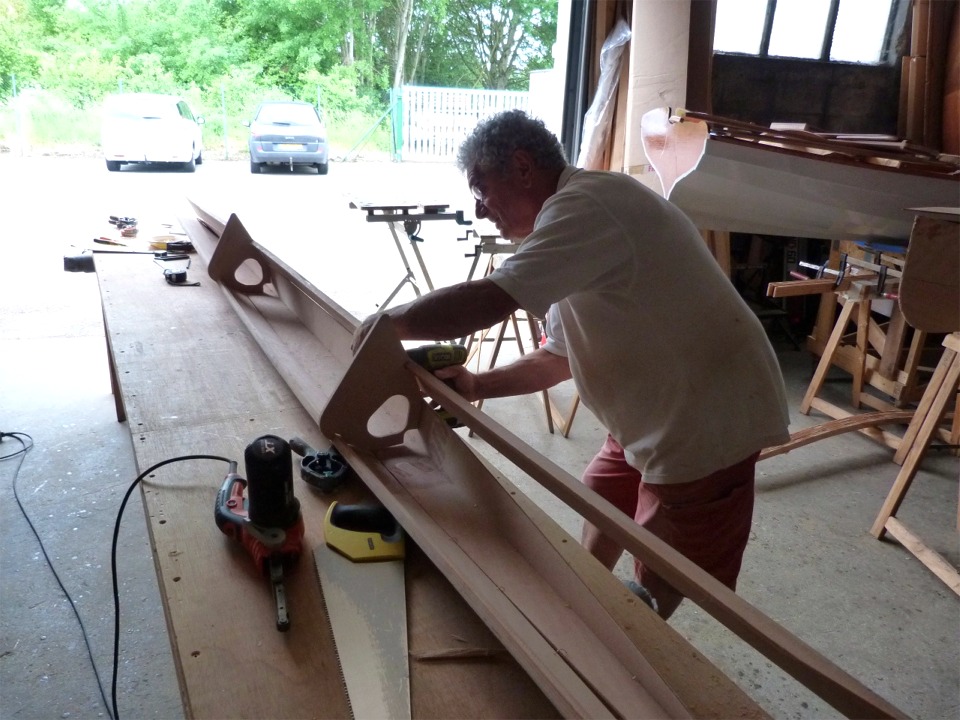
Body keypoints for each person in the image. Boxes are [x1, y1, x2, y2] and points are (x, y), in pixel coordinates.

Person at [353, 109, 791, 619]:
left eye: (481, 189)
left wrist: (392, 323)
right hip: (652, 408)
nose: (478, 210)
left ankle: (630, 643)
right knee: (603, 493)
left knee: (663, 569)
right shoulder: (565, 238)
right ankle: (584, 605)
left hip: (707, 420)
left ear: (521, 167)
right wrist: (476, 384)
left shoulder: (589, 205)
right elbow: (557, 358)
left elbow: (488, 300)